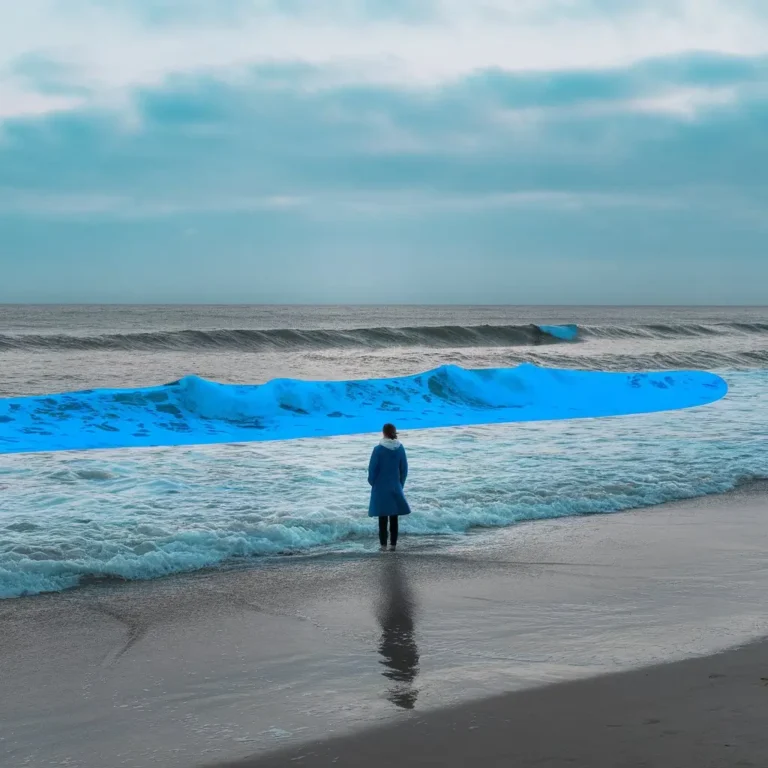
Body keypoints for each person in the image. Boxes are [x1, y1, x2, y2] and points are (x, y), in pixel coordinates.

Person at [368, 423, 411, 551]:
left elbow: (372, 470)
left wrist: (373, 483)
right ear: (394, 432)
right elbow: (404, 469)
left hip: (380, 487)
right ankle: (393, 545)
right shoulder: (400, 448)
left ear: (383, 433)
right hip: (395, 486)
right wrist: (400, 484)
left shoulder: (378, 449)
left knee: (382, 518)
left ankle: (383, 546)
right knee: (394, 517)